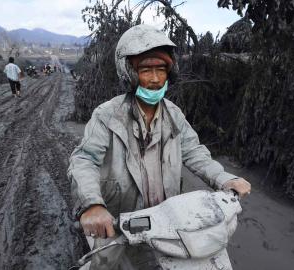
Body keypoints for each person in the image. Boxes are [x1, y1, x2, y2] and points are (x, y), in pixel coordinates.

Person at [68, 24, 251, 270]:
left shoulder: (174, 115)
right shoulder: (107, 115)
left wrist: (223, 178)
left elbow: (194, 152)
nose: (155, 79)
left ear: (169, 72)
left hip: (166, 219)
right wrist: (92, 205)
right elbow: (84, 160)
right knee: (106, 264)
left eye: (161, 69)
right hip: (119, 219)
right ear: (129, 73)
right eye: (145, 70)